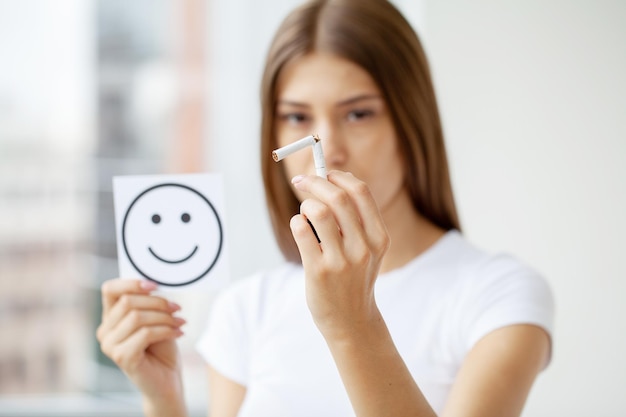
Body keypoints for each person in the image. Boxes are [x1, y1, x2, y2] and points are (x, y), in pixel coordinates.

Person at [96, 1, 554, 416]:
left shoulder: (498, 297)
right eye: (296, 117)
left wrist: (353, 323)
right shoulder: (246, 308)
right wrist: (164, 400)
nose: (327, 149)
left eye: (358, 114)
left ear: (411, 121)